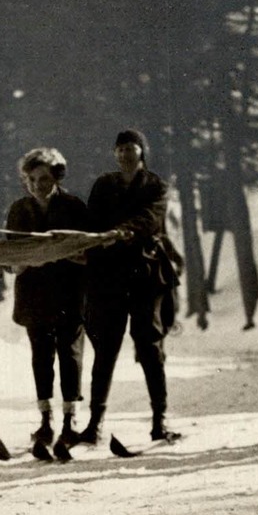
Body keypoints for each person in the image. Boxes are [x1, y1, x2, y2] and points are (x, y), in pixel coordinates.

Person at [76, 128, 180, 445]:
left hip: (146, 276)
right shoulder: (103, 185)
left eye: (130, 148)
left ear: (141, 152)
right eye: (119, 149)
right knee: (105, 349)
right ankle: (94, 425)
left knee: (149, 347)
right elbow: (90, 222)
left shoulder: (156, 185)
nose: (124, 154)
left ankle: (159, 422)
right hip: (108, 278)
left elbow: (151, 218)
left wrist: (123, 231)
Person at [5, 147, 89, 449]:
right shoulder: (19, 210)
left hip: (68, 294)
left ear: (56, 177)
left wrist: (78, 256)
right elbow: (9, 252)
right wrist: (17, 263)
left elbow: (90, 249)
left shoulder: (73, 206)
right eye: (32, 179)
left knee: (69, 355)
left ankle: (70, 421)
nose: (38, 184)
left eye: (44, 178)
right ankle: (45, 422)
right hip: (33, 297)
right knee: (41, 357)